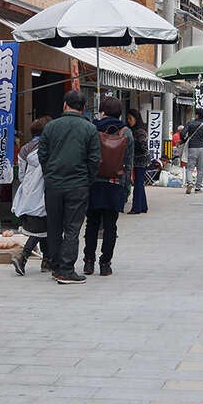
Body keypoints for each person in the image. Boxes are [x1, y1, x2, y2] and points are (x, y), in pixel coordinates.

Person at [38, 90, 100, 284]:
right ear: (83, 108)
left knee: (54, 226)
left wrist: (49, 173)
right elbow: (94, 159)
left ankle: (55, 265)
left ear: (65, 105)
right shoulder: (89, 129)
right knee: (72, 228)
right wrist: (87, 179)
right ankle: (66, 269)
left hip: (54, 184)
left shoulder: (51, 127)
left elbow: (42, 154)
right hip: (78, 184)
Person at [83, 97, 133, 277]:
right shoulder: (126, 132)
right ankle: (105, 263)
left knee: (92, 223)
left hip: (93, 183)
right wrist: (127, 187)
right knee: (110, 225)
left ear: (102, 111)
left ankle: (89, 262)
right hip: (115, 183)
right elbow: (129, 161)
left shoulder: (92, 128)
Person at [11, 116, 53, 276]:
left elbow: (21, 175)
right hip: (44, 191)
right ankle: (23, 257)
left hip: (28, 191)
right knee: (41, 228)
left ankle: (47, 261)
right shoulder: (50, 147)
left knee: (42, 228)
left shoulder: (24, 149)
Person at [126, 109, 150, 213]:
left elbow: (143, 146)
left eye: (130, 118)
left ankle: (136, 208)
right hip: (139, 160)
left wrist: (132, 145)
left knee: (138, 184)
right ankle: (143, 206)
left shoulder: (139, 131)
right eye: (127, 119)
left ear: (136, 118)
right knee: (139, 183)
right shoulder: (136, 130)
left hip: (140, 160)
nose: (129, 121)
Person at [181, 108, 203, 194]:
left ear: (197, 115)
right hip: (202, 148)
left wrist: (185, 140)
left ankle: (190, 183)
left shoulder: (190, 123)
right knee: (200, 169)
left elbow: (182, 134)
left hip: (192, 147)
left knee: (190, 168)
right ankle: (198, 188)